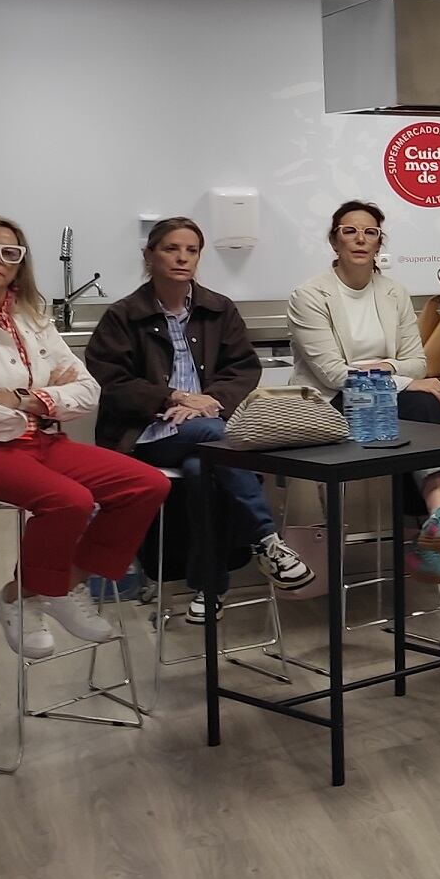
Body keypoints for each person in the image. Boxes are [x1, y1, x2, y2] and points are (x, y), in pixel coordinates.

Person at [0, 216, 170, 657]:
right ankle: (22, 599)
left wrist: (21, 399)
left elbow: (89, 391)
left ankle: (57, 589)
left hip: (35, 441)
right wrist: (44, 400)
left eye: (9, 253)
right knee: (68, 500)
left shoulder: (31, 320)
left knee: (147, 484)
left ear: (21, 265)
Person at [86, 216, 311, 622]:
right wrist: (173, 396)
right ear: (149, 255)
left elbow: (244, 369)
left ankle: (209, 590)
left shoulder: (217, 308)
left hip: (206, 429)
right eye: (172, 248)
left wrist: (207, 400)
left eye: (191, 250)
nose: (182, 258)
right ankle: (267, 540)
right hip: (147, 435)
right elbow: (114, 382)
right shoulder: (123, 316)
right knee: (215, 435)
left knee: (202, 467)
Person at [285, 199, 440, 583]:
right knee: (408, 410)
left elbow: (416, 362)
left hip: (384, 401)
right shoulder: (309, 295)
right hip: (330, 404)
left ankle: (438, 519)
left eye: (370, 232)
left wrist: (385, 371)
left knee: (422, 405)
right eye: (349, 231)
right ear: (334, 242)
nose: (360, 239)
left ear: (379, 243)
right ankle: (417, 538)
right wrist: (397, 375)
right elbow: (334, 374)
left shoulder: (393, 292)